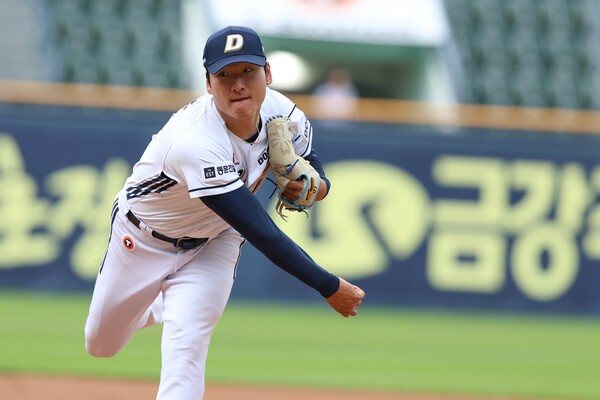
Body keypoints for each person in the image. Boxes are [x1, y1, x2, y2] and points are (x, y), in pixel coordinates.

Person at [84, 25, 365, 400]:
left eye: (248, 71)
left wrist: (317, 187)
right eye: (225, 75)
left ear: (267, 73)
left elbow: (312, 164)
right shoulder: (195, 141)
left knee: (186, 349)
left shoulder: (282, 112)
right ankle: (162, 301)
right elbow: (260, 229)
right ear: (208, 83)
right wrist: (327, 285)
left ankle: (181, 304)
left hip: (216, 238)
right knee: (101, 345)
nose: (238, 85)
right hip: (143, 238)